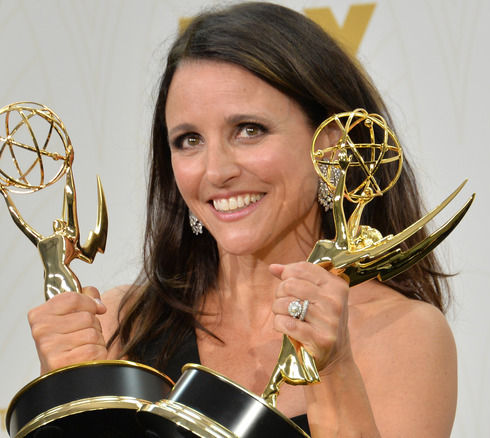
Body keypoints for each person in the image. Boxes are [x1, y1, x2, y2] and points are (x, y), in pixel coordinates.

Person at [27, 2, 457, 436]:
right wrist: (64, 392)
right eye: (189, 140)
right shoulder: (118, 324)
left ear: (331, 147)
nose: (216, 171)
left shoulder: (404, 336)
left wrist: (335, 370)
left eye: (249, 130)